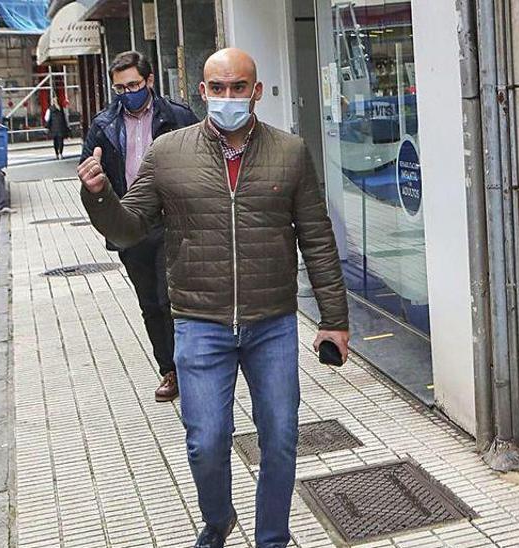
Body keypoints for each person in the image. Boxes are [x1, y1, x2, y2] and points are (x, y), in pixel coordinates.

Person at [79, 48, 349, 548]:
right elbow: (129, 228)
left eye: (239, 87)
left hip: (272, 322)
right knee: (205, 443)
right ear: (202, 92)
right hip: (199, 322)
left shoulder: (289, 152)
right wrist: (99, 196)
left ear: (256, 91)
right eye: (218, 88)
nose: (229, 97)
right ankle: (218, 519)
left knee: (282, 440)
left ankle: (272, 537)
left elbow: (316, 237)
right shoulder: (168, 153)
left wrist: (333, 319)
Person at [80, 50, 198, 403]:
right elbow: (90, 173)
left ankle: (190, 366)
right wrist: (94, 184)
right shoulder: (103, 125)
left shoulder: (178, 117)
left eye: (133, 84)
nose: (127, 92)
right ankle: (169, 369)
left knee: (172, 297)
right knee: (150, 303)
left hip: (174, 220)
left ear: (148, 81)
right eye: (120, 88)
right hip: (131, 223)